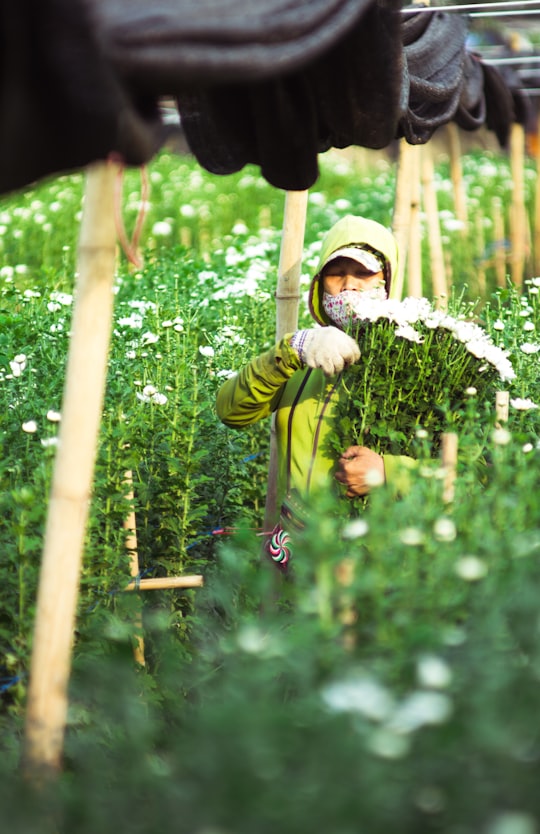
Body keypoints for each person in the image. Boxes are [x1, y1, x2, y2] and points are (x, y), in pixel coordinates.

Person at [216, 215, 416, 569]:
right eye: (336, 274)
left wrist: (390, 471)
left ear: (386, 281)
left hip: (381, 567)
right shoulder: (304, 358)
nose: (348, 286)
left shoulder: (419, 363)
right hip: (299, 561)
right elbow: (232, 411)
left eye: (364, 274)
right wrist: (293, 348)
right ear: (320, 284)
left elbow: (470, 472)